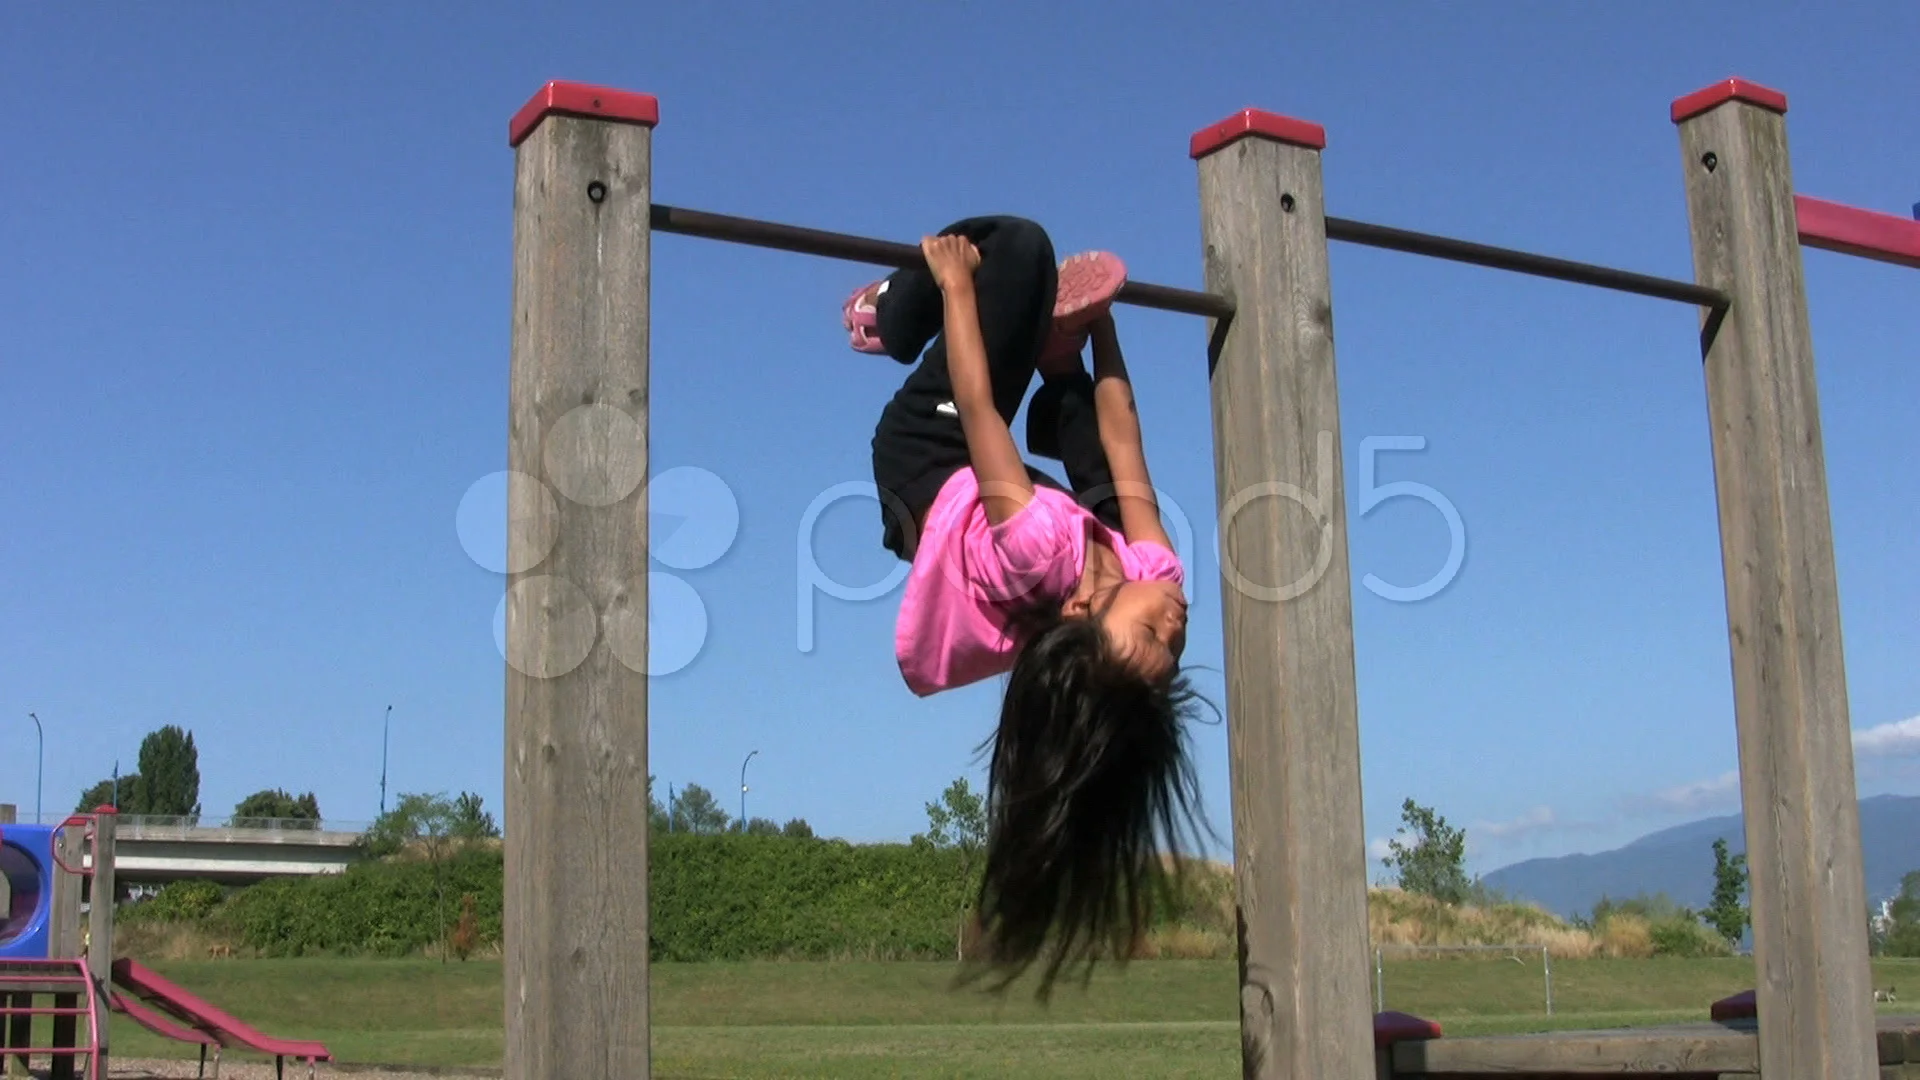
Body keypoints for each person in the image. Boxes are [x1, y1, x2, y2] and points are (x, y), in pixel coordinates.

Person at [842, 215, 1209, 998]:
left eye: (1151, 630)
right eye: (1173, 644)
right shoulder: (1152, 571)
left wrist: (952, 287)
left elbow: (977, 408)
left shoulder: (1038, 550)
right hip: (1007, 502)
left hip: (923, 466)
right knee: (1107, 485)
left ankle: (888, 312)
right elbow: (1125, 441)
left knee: (1018, 251)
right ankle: (1059, 369)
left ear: (1082, 615)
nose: (1173, 623)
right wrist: (1105, 330)